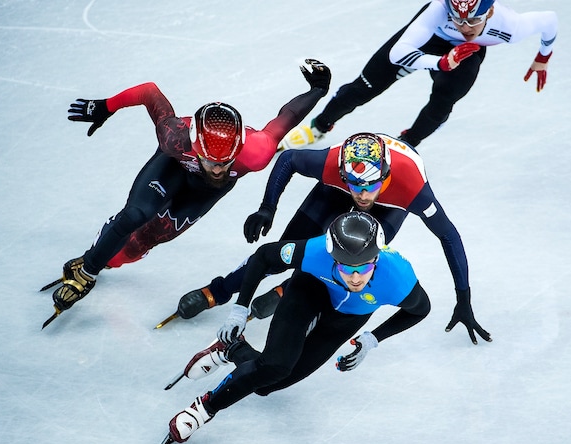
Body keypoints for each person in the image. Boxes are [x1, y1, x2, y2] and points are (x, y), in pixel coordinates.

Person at [45, 59, 331, 314]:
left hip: (204, 192)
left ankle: (107, 258)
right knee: (135, 216)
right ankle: (88, 270)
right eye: (211, 161)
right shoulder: (175, 137)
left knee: (150, 239)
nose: (218, 169)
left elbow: (286, 119)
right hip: (173, 166)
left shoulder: (257, 151)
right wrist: (106, 107)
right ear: (195, 145)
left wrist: (318, 90)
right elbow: (149, 92)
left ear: (239, 149)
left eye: (226, 162)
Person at [178, 132, 490, 345]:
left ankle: (292, 289)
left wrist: (464, 298)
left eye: (370, 185)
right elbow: (289, 160)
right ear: (343, 174)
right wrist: (267, 209)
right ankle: (218, 291)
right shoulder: (332, 164)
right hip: (332, 192)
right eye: (355, 184)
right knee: (283, 254)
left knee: (353, 257)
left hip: (389, 206)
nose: (363, 194)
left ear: (385, 176)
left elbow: (449, 236)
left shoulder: (411, 187)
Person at [166, 211, 432, 444]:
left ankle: (232, 349)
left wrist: (374, 338)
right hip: (309, 291)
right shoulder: (315, 252)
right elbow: (262, 257)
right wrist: (240, 307)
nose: (354, 277)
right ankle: (204, 409)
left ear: (376, 258)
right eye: (344, 267)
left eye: (363, 268)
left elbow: (420, 310)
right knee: (275, 366)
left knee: (266, 384)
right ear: (333, 257)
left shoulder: (398, 278)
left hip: (348, 318)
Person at [282, 0, 557, 149]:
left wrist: (543, 58)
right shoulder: (437, 10)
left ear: (491, 11)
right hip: (429, 41)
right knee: (362, 89)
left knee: (442, 104)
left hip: (468, 53)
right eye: (458, 19)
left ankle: (408, 144)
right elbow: (396, 54)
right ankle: (319, 126)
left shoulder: (511, 26)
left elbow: (549, 21)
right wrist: (440, 63)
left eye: (474, 20)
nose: (465, 27)